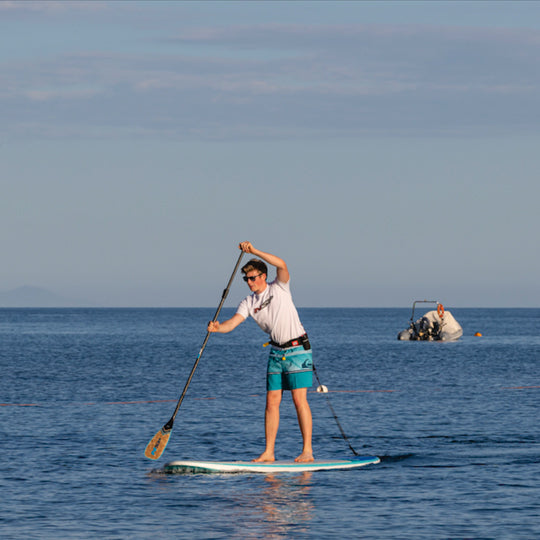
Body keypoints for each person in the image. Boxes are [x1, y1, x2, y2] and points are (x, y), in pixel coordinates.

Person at [207, 241, 314, 463]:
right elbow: (233, 323)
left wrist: (254, 251)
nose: (250, 282)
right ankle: (269, 452)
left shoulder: (280, 287)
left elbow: (282, 264)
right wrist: (218, 328)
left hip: (297, 349)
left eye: (253, 277)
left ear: (264, 276)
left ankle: (307, 452)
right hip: (276, 353)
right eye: (246, 279)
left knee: (298, 399)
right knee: (271, 402)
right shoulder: (248, 302)